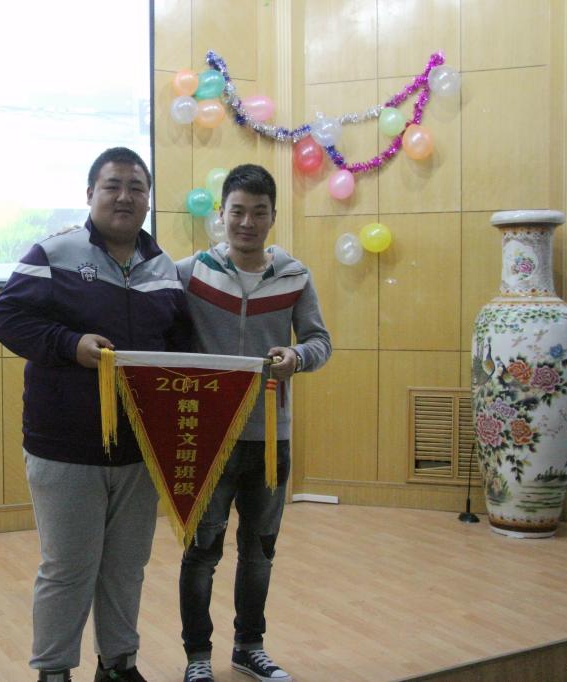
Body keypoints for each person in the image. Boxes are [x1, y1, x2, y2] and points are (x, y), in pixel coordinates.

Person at [0, 147, 191, 682]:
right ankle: (54, 671)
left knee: (126, 567)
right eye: (112, 185)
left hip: (139, 448)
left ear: (148, 199)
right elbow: (6, 317)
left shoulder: (163, 267)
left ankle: (119, 664)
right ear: (89, 194)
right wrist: (70, 343)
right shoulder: (53, 253)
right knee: (69, 567)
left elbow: (178, 347)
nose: (125, 196)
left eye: (136, 187)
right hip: (65, 444)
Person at [174, 164, 331, 682]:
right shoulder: (189, 273)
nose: (247, 222)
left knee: (259, 552)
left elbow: (320, 341)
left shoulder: (295, 275)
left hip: (270, 439)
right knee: (202, 553)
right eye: (237, 211)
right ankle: (198, 657)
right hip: (208, 438)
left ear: (273, 216)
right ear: (220, 214)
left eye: (258, 213)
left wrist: (297, 357)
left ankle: (249, 647)